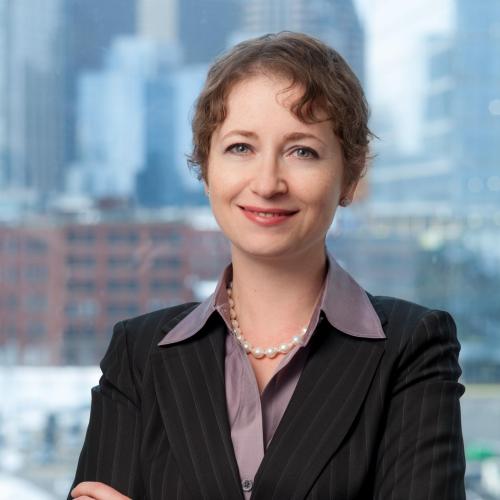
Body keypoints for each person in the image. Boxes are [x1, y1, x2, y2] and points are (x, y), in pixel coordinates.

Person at [69, 32, 466, 500]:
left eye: (302, 151)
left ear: (350, 176)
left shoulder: (412, 347)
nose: (267, 182)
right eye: (241, 147)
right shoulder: (137, 354)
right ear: (206, 169)